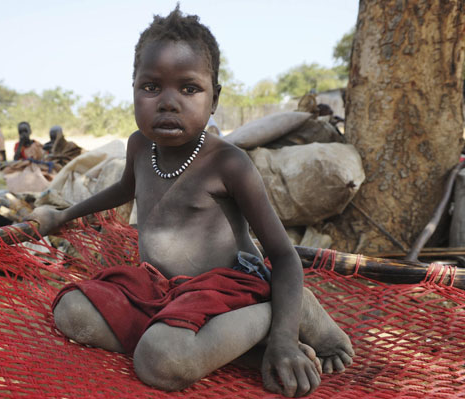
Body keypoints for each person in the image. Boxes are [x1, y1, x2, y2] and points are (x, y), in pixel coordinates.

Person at [30, 7, 353, 397]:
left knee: (159, 363)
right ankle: (233, 348)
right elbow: (123, 191)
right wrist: (62, 214)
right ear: (133, 89)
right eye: (151, 87)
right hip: (158, 287)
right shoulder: (139, 145)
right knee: (72, 312)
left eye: (188, 89)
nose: (168, 102)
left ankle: (282, 315)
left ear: (214, 99)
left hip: (224, 291)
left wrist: (285, 340)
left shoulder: (228, 162)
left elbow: (283, 257)